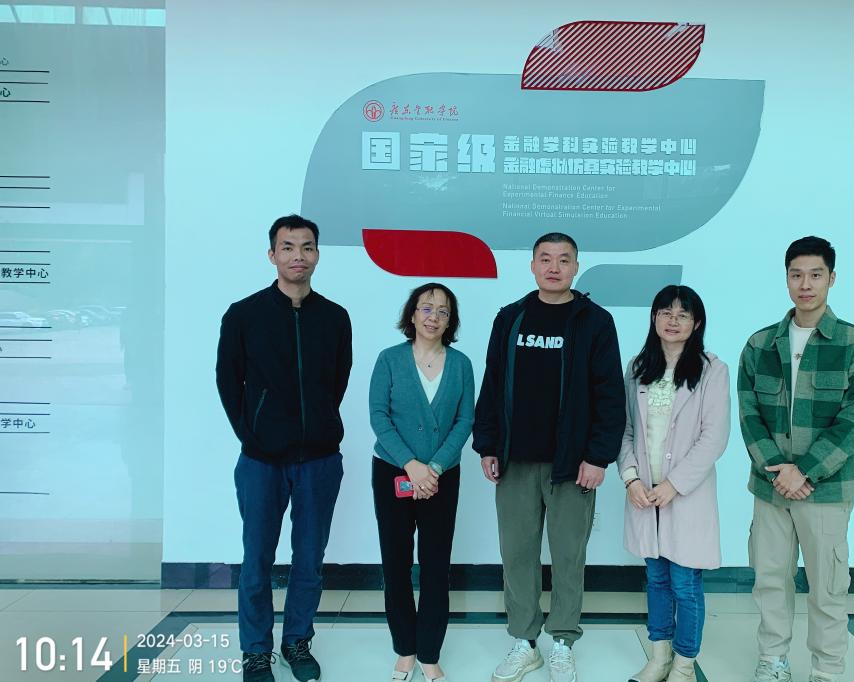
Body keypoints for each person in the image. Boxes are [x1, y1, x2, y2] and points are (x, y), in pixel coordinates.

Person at [473, 232, 626, 682]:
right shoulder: (510, 318)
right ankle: (525, 641)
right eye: (545, 259)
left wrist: (598, 457)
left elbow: (609, 394)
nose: (554, 267)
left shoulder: (595, 322)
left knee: (567, 556)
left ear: (576, 266)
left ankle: (562, 640)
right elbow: (492, 382)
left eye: (563, 259)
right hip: (515, 461)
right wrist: (488, 444)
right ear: (533, 266)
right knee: (517, 554)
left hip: (573, 465)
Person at [216, 214, 352, 682]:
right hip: (261, 461)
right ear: (272, 254)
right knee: (257, 559)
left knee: (309, 559)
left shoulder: (335, 317)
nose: (299, 256)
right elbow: (228, 381)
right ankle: (256, 650)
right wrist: (252, 433)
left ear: (317, 254)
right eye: (288, 247)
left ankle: (297, 641)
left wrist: (317, 424)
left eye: (307, 247)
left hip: (319, 459)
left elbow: (337, 381)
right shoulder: (244, 314)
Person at [739, 236, 854, 682]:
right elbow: (749, 415)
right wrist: (778, 471)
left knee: (828, 588)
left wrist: (805, 470)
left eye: (815, 275)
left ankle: (827, 670)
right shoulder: (760, 344)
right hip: (771, 488)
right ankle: (773, 660)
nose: (805, 284)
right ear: (786, 279)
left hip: (827, 489)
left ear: (831, 279)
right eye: (796, 275)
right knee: (770, 581)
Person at [618, 285, 730, 682]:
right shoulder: (637, 367)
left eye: (683, 315)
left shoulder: (713, 369)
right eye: (665, 312)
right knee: (657, 579)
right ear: (654, 318)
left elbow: (714, 437)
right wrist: (631, 478)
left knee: (685, 583)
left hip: (686, 495)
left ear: (696, 324)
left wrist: (674, 485)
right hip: (644, 494)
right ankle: (659, 657)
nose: (673, 320)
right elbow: (624, 430)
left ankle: (683, 664)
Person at [368, 283, 474, 682]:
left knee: (435, 565)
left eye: (443, 311)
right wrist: (410, 465)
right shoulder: (389, 359)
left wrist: (435, 466)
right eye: (426, 308)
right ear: (412, 314)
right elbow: (379, 416)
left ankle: (429, 652)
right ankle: (405, 650)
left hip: (442, 477)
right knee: (395, 564)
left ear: (450, 321)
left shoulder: (461, 364)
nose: (434, 317)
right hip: (392, 472)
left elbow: (465, 420)